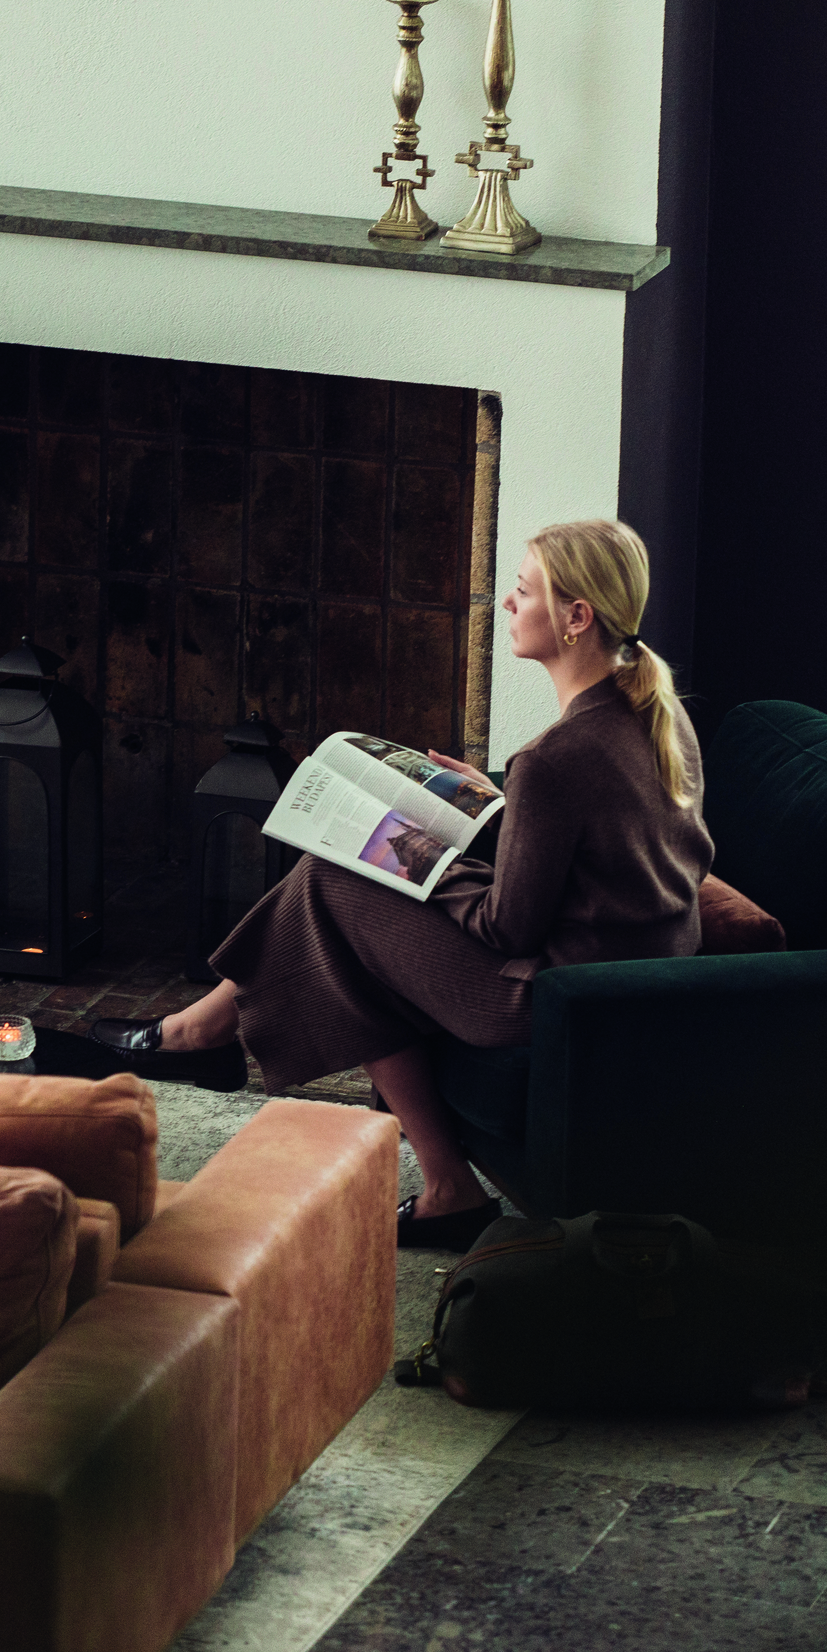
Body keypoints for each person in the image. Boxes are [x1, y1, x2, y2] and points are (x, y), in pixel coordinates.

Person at [93, 518, 711, 1249]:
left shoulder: (557, 756)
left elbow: (506, 930)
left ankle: (209, 1031)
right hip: (626, 976)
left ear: (576, 618)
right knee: (344, 901)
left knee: (336, 883)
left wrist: (412, 857)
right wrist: (493, 805)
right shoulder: (656, 713)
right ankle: (218, 1034)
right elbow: (604, 846)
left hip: (554, 993)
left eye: (520, 592)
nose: (505, 607)